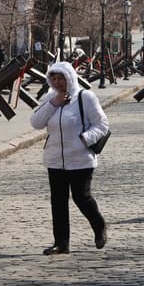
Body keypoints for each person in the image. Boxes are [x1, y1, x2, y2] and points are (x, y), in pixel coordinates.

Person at [30, 61, 109, 255]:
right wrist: (53, 104)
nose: (57, 82)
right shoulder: (51, 99)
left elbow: (102, 124)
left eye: (61, 78)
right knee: (58, 201)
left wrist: (85, 138)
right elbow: (36, 123)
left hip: (80, 158)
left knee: (81, 197)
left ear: (69, 78)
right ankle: (61, 243)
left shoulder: (85, 97)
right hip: (55, 158)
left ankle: (99, 226)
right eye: (54, 78)